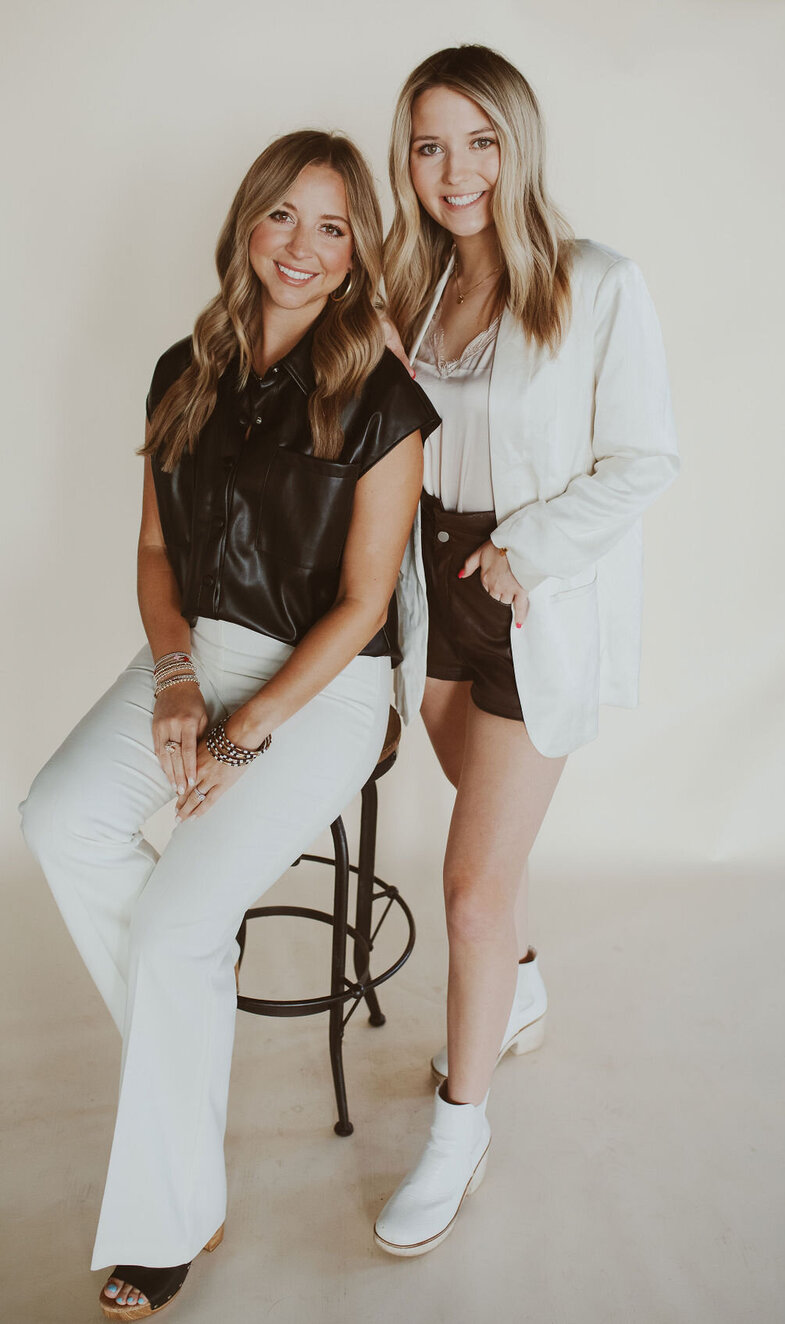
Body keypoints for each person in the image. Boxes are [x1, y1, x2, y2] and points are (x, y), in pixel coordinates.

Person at [20, 129, 439, 1316]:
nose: (300, 249)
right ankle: (193, 967)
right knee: (58, 818)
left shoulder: (382, 397)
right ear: (246, 223)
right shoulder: (183, 370)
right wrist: (174, 679)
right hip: (200, 652)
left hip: (326, 685)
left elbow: (363, 605)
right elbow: (156, 549)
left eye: (333, 226)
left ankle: (169, 1219)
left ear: (358, 251)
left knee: (168, 931)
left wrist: (248, 729)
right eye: (281, 218)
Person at [374, 45, 680, 1256]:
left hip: (524, 596)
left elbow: (644, 458)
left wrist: (526, 553)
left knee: (465, 887)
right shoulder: (415, 286)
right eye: (429, 144)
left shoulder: (595, 281)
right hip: (427, 591)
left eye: (478, 141)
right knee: (481, 842)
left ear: (518, 145)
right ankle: (524, 980)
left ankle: (459, 1127)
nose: (454, 171)